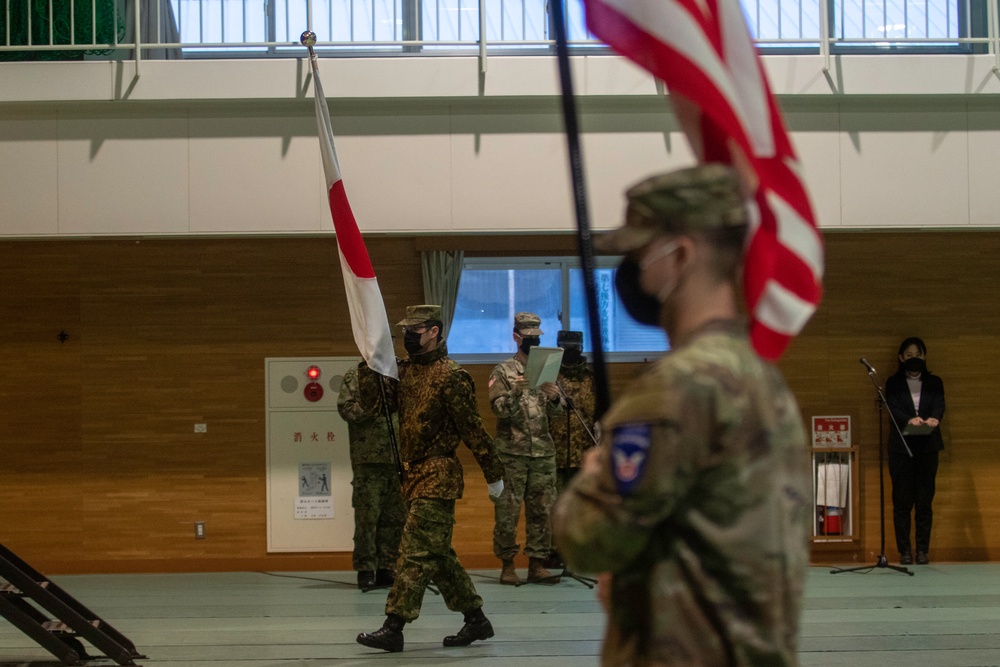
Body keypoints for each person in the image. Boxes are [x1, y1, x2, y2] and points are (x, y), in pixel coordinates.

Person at [552, 164, 812, 666]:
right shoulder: (761, 377)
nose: (629, 271)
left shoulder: (678, 388)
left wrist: (590, 478)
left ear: (680, 255)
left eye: (638, 253)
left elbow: (586, 538)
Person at [355, 304, 506, 653]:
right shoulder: (406, 371)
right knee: (437, 555)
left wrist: (493, 474)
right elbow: (377, 405)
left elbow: (473, 429)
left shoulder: (451, 375)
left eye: (416, 330)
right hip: (411, 475)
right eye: (406, 330)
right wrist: (369, 363)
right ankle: (477, 619)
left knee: (413, 552)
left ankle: (394, 626)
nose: (408, 336)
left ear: (434, 331)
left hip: (438, 474)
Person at [489, 312, 564, 585]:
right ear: (516, 337)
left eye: (536, 338)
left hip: (543, 452)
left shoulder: (548, 368)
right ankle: (507, 565)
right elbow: (498, 410)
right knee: (507, 511)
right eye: (528, 338)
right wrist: (515, 392)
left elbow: (557, 414)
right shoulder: (503, 371)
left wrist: (555, 399)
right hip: (512, 454)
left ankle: (537, 564)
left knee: (543, 510)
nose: (532, 342)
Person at [336, 360, 405, 592]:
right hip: (369, 459)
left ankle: (387, 567)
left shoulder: (400, 374)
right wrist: (373, 404)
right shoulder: (357, 374)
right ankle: (366, 569)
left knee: (395, 518)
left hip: (397, 459)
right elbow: (346, 409)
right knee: (368, 518)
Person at [885, 336, 945, 566]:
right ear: (901, 358)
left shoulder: (935, 382)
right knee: (902, 501)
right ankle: (905, 552)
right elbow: (893, 408)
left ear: (925, 356)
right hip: (901, 449)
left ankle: (922, 550)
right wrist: (911, 419)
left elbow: (940, 405)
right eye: (909, 355)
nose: (914, 358)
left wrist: (934, 419)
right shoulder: (893, 383)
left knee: (924, 501)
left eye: (917, 354)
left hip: (928, 447)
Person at [549, 330, 597, 494]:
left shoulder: (591, 380)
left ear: (581, 348)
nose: (570, 351)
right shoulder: (548, 378)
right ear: (558, 348)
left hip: (584, 458)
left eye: (574, 347)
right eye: (565, 347)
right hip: (553, 458)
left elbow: (602, 417)